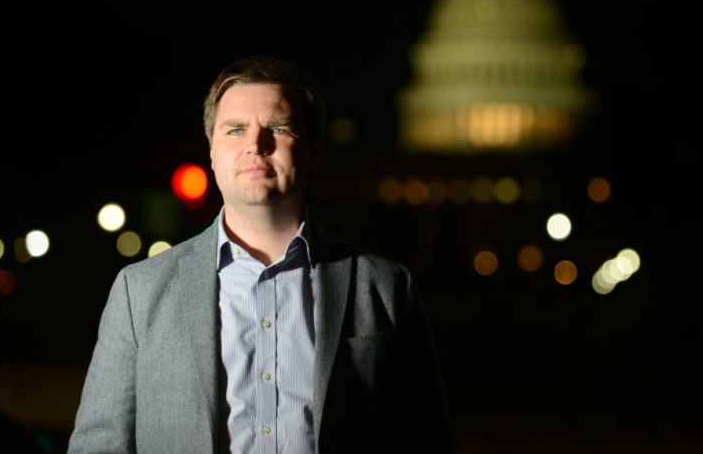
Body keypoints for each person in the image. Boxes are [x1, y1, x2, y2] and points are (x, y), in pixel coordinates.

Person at [68, 56, 455, 453]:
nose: (256, 145)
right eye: (235, 130)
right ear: (212, 152)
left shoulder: (386, 286)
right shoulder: (139, 291)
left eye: (278, 128)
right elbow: (99, 445)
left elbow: (427, 441)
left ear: (314, 151)